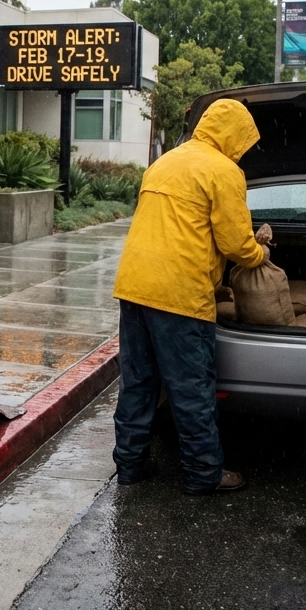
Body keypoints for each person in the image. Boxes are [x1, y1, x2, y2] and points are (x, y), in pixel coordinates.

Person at [112, 98, 269, 495]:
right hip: (179, 294)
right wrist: (260, 253)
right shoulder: (224, 171)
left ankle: (130, 466)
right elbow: (235, 243)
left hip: (134, 286)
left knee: (139, 382)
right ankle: (203, 474)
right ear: (234, 135)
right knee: (190, 388)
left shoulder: (165, 162)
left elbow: (176, 228)